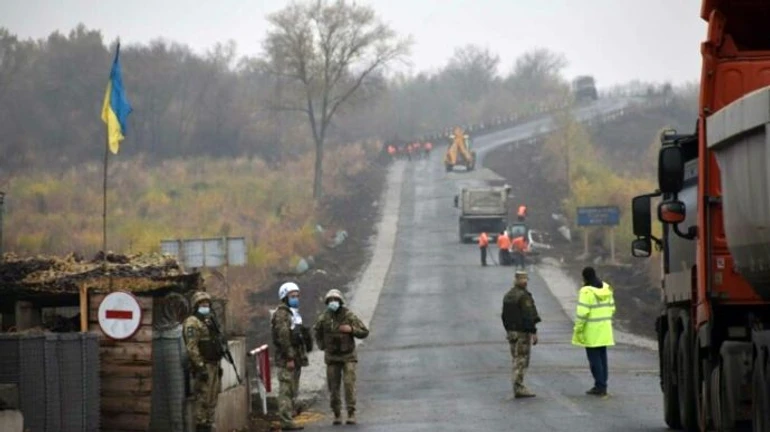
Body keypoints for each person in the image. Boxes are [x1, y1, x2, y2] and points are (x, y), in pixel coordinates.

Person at [313, 289, 370, 425]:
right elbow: (317, 332)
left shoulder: (348, 316)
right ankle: (337, 413)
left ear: (340, 301)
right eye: (330, 300)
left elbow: (364, 332)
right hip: (332, 358)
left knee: (349, 384)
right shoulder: (324, 318)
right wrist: (322, 346)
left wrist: (351, 330)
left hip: (348, 356)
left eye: (336, 300)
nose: (333, 303)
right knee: (333, 387)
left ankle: (351, 412)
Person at [183, 291, 225, 432]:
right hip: (204, 365)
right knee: (202, 399)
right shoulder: (192, 322)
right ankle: (201, 426)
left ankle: (209, 424)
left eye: (207, 303)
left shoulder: (210, 320)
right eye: (202, 303)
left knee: (212, 399)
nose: (205, 305)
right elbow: (192, 347)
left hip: (214, 364)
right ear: (196, 305)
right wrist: (200, 367)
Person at [271, 282, 311, 431]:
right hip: (288, 359)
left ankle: (290, 416)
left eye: (297, 296)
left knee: (293, 390)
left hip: (297, 358)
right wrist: (289, 358)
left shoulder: (293, 313)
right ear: (284, 297)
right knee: (286, 391)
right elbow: (283, 338)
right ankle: (286, 422)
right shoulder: (282, 315)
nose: (296, 299)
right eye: (292, 296)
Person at [571, 267, 616, 396]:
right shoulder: (606, 289)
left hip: (591, 331)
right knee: (603, 359)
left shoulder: (586, 292)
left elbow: (582, 312)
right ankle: (602, 384)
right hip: (605, 330)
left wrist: (578, 329)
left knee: (594, 360)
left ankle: (600, 385)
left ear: (584, 277)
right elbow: (612, 309)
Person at [501, 270, 541, 398]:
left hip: (512, 333)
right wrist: (533, 331)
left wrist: (508, 330)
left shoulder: (508, 295)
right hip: (522, 333)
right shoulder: (523, 296)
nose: (524, 281)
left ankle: (518, 385)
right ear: (517, 280)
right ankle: (518, 387)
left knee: (516, 358)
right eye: (522, 279)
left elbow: (504, 316)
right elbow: (528, 315)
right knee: (522, 360)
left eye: (525, 279)